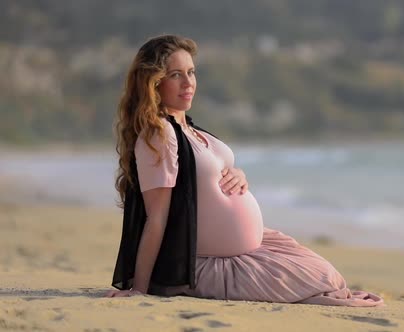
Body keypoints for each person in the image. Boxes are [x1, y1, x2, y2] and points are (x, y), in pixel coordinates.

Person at [105, 34, 383, 307]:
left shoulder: (189, 129)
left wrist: (237, 174)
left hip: (249, 247)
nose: (188, 83)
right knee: (323, 280)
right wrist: (139, 288)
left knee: (327, 276)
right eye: (176, 75)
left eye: (191, 72)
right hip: (202, 264)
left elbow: (205, 176)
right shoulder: (159, 134)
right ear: (154, 83)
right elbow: (157, 216)